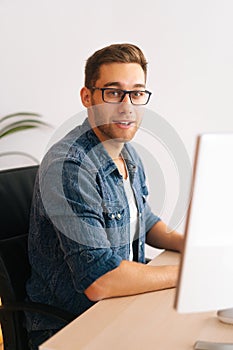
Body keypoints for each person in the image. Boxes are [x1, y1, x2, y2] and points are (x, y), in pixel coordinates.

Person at [26, 43, 183, 349]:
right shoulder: (68, 166)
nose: (127, 106)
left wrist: (196, 248)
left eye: (137, 93)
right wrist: (185, 274)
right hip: (71, 327)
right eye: (113, 92)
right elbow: (100, 281)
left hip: (120, 308)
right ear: (88, 97)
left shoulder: (126, 152)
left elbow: (144, 219)